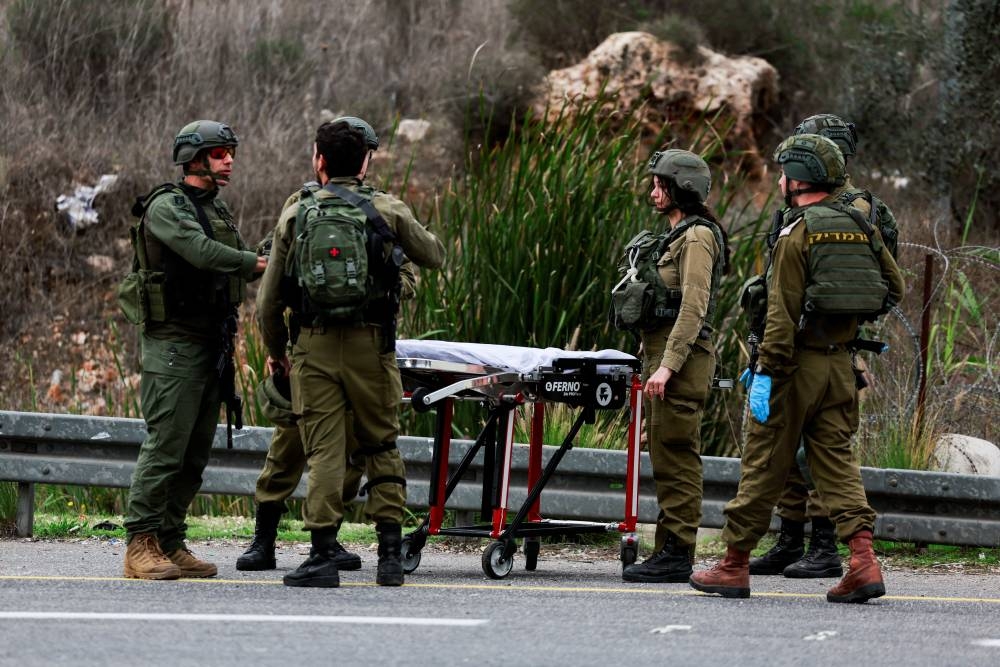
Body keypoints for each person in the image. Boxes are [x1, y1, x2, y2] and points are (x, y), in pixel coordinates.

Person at [690, 134, 905, 603]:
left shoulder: (797, 232)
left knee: (764, 462)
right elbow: (894, 288)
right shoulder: (858, 223)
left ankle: (733, 565)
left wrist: (766, 371)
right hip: (841, 366)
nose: (779, 180)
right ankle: (863, 563)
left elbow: (781, 315)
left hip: (794, 367)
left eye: (784, 173)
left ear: (799, 178)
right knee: (838, 463)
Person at [256, 119, 445, 588]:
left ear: (318, 160)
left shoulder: (295, 213)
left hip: (312, 350)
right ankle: (388, 557)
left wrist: (278, 353)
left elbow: (267, 302)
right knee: (381, 445)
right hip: (372, 346)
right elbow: (435, 255)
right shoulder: (385, 208)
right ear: (364, 162)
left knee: (323, 453)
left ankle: (321, 556)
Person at [748, 114, 901, 579]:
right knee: (796, 452)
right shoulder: (800, 207)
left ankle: (821, 545)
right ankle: (791, 539)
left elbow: (869, 285)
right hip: (789, 339)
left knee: (815, 452)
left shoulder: (855, 209)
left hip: (823, 346)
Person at [121, 120, 267, 580]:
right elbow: (200, 252)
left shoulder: (216, 210)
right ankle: (139, 542)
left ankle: (169, 538)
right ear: (195, 157)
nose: (230, 161)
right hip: (173, 344)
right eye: (221, 152)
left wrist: (277, 248)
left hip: (211, 343)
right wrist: (252, 262)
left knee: (194, 451)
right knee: (166, 445)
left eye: (231, 153)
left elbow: (246, 262)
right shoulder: (167, 207)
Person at [610, 149, 729, 583]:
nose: (653, 191)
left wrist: (668, 367)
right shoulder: (675, 236)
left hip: (682, 362)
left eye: (661, 184)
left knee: (677, 457)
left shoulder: (698, 238)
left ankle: (677, 554)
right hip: (662, 357)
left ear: (683, 188)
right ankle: (670, 549)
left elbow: (693, 307)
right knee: (665, 456)